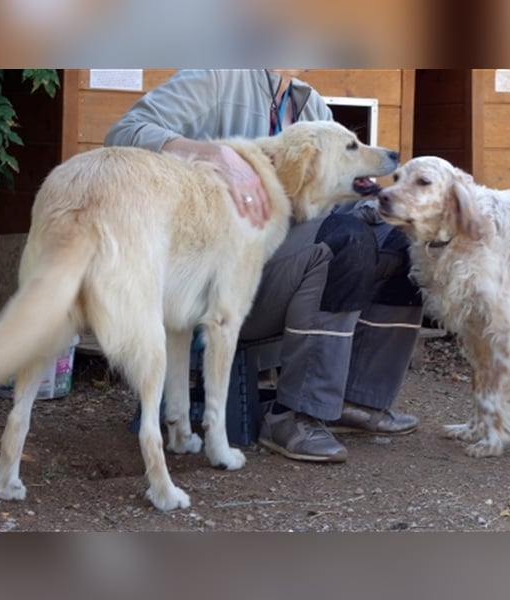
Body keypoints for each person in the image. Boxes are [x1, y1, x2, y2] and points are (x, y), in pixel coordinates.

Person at [105, 69, 422, 463]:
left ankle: (357, 399)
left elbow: (324, 195)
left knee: (407, 244)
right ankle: (295, 414)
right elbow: (126, 132)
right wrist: (212, 153)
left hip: (284, 253)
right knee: (343, 240)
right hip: (221, 280)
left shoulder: (309, 103)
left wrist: (398, 207)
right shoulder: (216, 77)